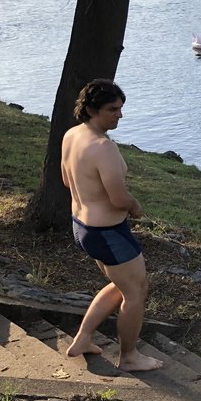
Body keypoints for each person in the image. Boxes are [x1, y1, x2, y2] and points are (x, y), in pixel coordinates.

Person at [60, 79, 162, 372]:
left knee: (121, 285)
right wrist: (135, 205)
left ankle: (82, 338)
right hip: (107, 232)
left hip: (82, 225)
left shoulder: (72, 135)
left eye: (120, 108)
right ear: (91, 109)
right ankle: (129, 357)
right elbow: (118, 198)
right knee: (135, 292)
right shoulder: (103, 147)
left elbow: (67, 180)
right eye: (112, 109)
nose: (119, 115)